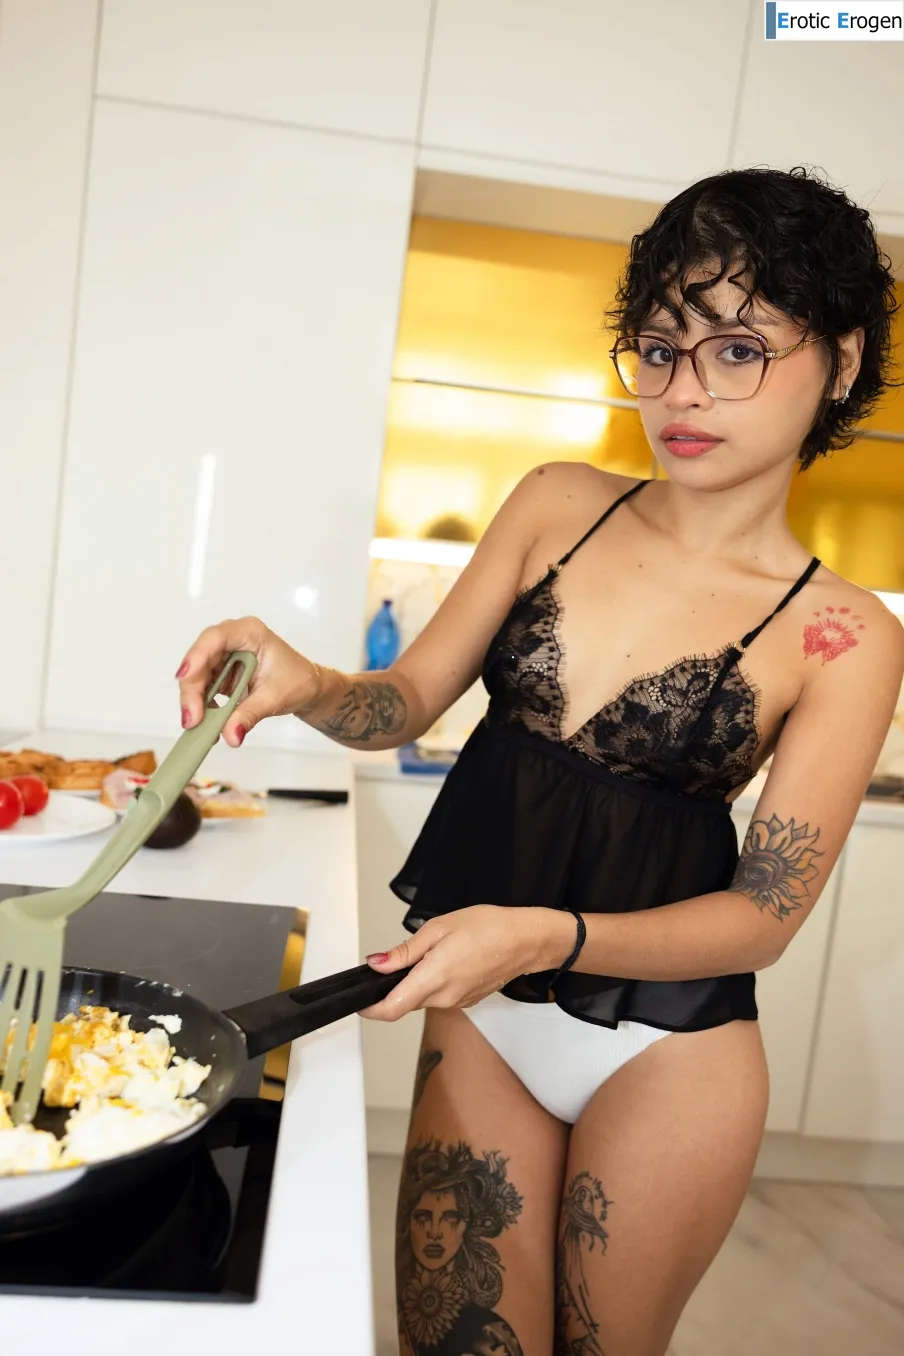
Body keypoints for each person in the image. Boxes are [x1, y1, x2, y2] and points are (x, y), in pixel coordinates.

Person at [176, 166, 904, 1356]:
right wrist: (308, 685)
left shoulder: (847, 633)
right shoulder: (558, 504)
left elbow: (762, 918)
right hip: (487, 1019)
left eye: (736, 350)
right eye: (657, 348)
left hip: (669, 1059)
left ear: (838, 360)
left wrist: (538, 936)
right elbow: (405, 703)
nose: (682, 389)